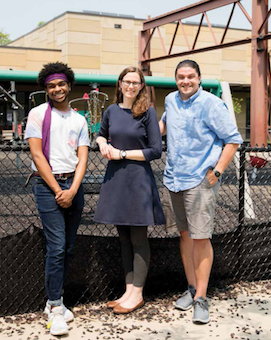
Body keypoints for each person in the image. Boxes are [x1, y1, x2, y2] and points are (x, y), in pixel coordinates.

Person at [159, 60, 243, 324]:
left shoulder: (211, 103)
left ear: (199, 78)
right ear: (175, 79)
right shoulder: (171, 100)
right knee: (184, 236)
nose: (186, 81)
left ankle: (202, 298)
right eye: (181, 77)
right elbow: (160, 129)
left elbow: (233, 139)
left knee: (200, 237)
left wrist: (216, 172)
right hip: (174, 179)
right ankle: (192, 288)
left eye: (191, 76)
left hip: (199, 180)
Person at [25, 62, 89, 336]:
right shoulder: (38, 114)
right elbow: (37, 155)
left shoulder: (80, 119)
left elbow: (84, 157)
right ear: (46, 89)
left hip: (72, 184)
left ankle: (57, 302)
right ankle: (53, 306)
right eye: (51, 86)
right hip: (47, 185)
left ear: (69, 85)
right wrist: (57, 190)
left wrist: (72, 189)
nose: (57, 89)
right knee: (57, 246)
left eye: (61, 84)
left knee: (69, 247)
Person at [94, 66, 165, 314]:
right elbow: (100, 134)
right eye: (127, 81)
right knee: (123, 239)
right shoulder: (111, 111)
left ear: (141, 86)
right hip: (116, 180)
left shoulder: (147, 113)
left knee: (137, 238)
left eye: (136, 82)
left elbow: (155, 151)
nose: (131, 86)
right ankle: (127, 291)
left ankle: (138, 294)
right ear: (120, 84)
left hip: (138, 181)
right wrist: (103, 143)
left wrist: (122, 153)